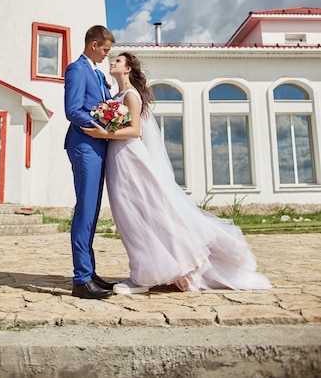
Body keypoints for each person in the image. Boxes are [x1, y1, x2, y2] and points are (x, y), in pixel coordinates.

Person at [82, 52, 271, 295]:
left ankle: (144, 276)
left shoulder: (131, 95)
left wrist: (104, 134)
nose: (113, 62)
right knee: (128, 216)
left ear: (127, 69)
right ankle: (156, 268)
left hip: (131, 157)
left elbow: (135, 130)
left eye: (118, 61)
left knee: (142, 213)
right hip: (117, 159)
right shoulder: (115, 96)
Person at [64, 25, 116, 299]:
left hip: (98, 145)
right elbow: (72, 111)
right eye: (106, 50)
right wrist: (102, 126)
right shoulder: (76, 69)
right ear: (94, 44)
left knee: (93, 209)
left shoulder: (97, 73)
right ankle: (81, 279)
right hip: (84, 145)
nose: (107, 56)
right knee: (85, 208)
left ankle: (90, 271)